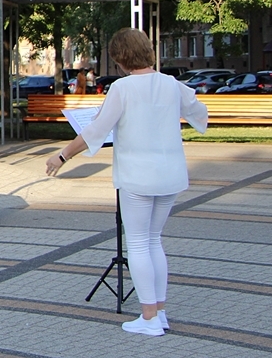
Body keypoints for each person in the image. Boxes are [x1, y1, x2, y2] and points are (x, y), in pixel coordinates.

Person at [45, 28, 207, 337]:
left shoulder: (122, 88)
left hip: (137, 176)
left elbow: (97, 130)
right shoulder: (171, 84)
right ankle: (159, 311)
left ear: (120, 57)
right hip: (170, 174)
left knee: (137, 244)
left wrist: (62, 156)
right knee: (154, 240)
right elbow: (200, 113)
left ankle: (148, 318)